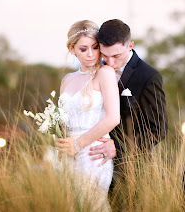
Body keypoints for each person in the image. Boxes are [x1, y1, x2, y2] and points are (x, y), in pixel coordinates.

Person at [53, 20, 120, 210]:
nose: (90, 54)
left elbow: (113, 117)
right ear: (72, 49)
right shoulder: (67, 80)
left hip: (93, 153)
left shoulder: (105, 73)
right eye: (83, 49)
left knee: (92, 204)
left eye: (95, 47)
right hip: (66, 155)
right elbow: (62, 119)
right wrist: (60, 138)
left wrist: (78, 144)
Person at [88, 19, 168, 174]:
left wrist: (117, 147)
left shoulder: (148, 76)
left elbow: (158, 130)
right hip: (92, 163)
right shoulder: (94, 70)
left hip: (130, 169)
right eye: (104, 55)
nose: (110, 62)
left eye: (116, 56)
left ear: (130, 45)